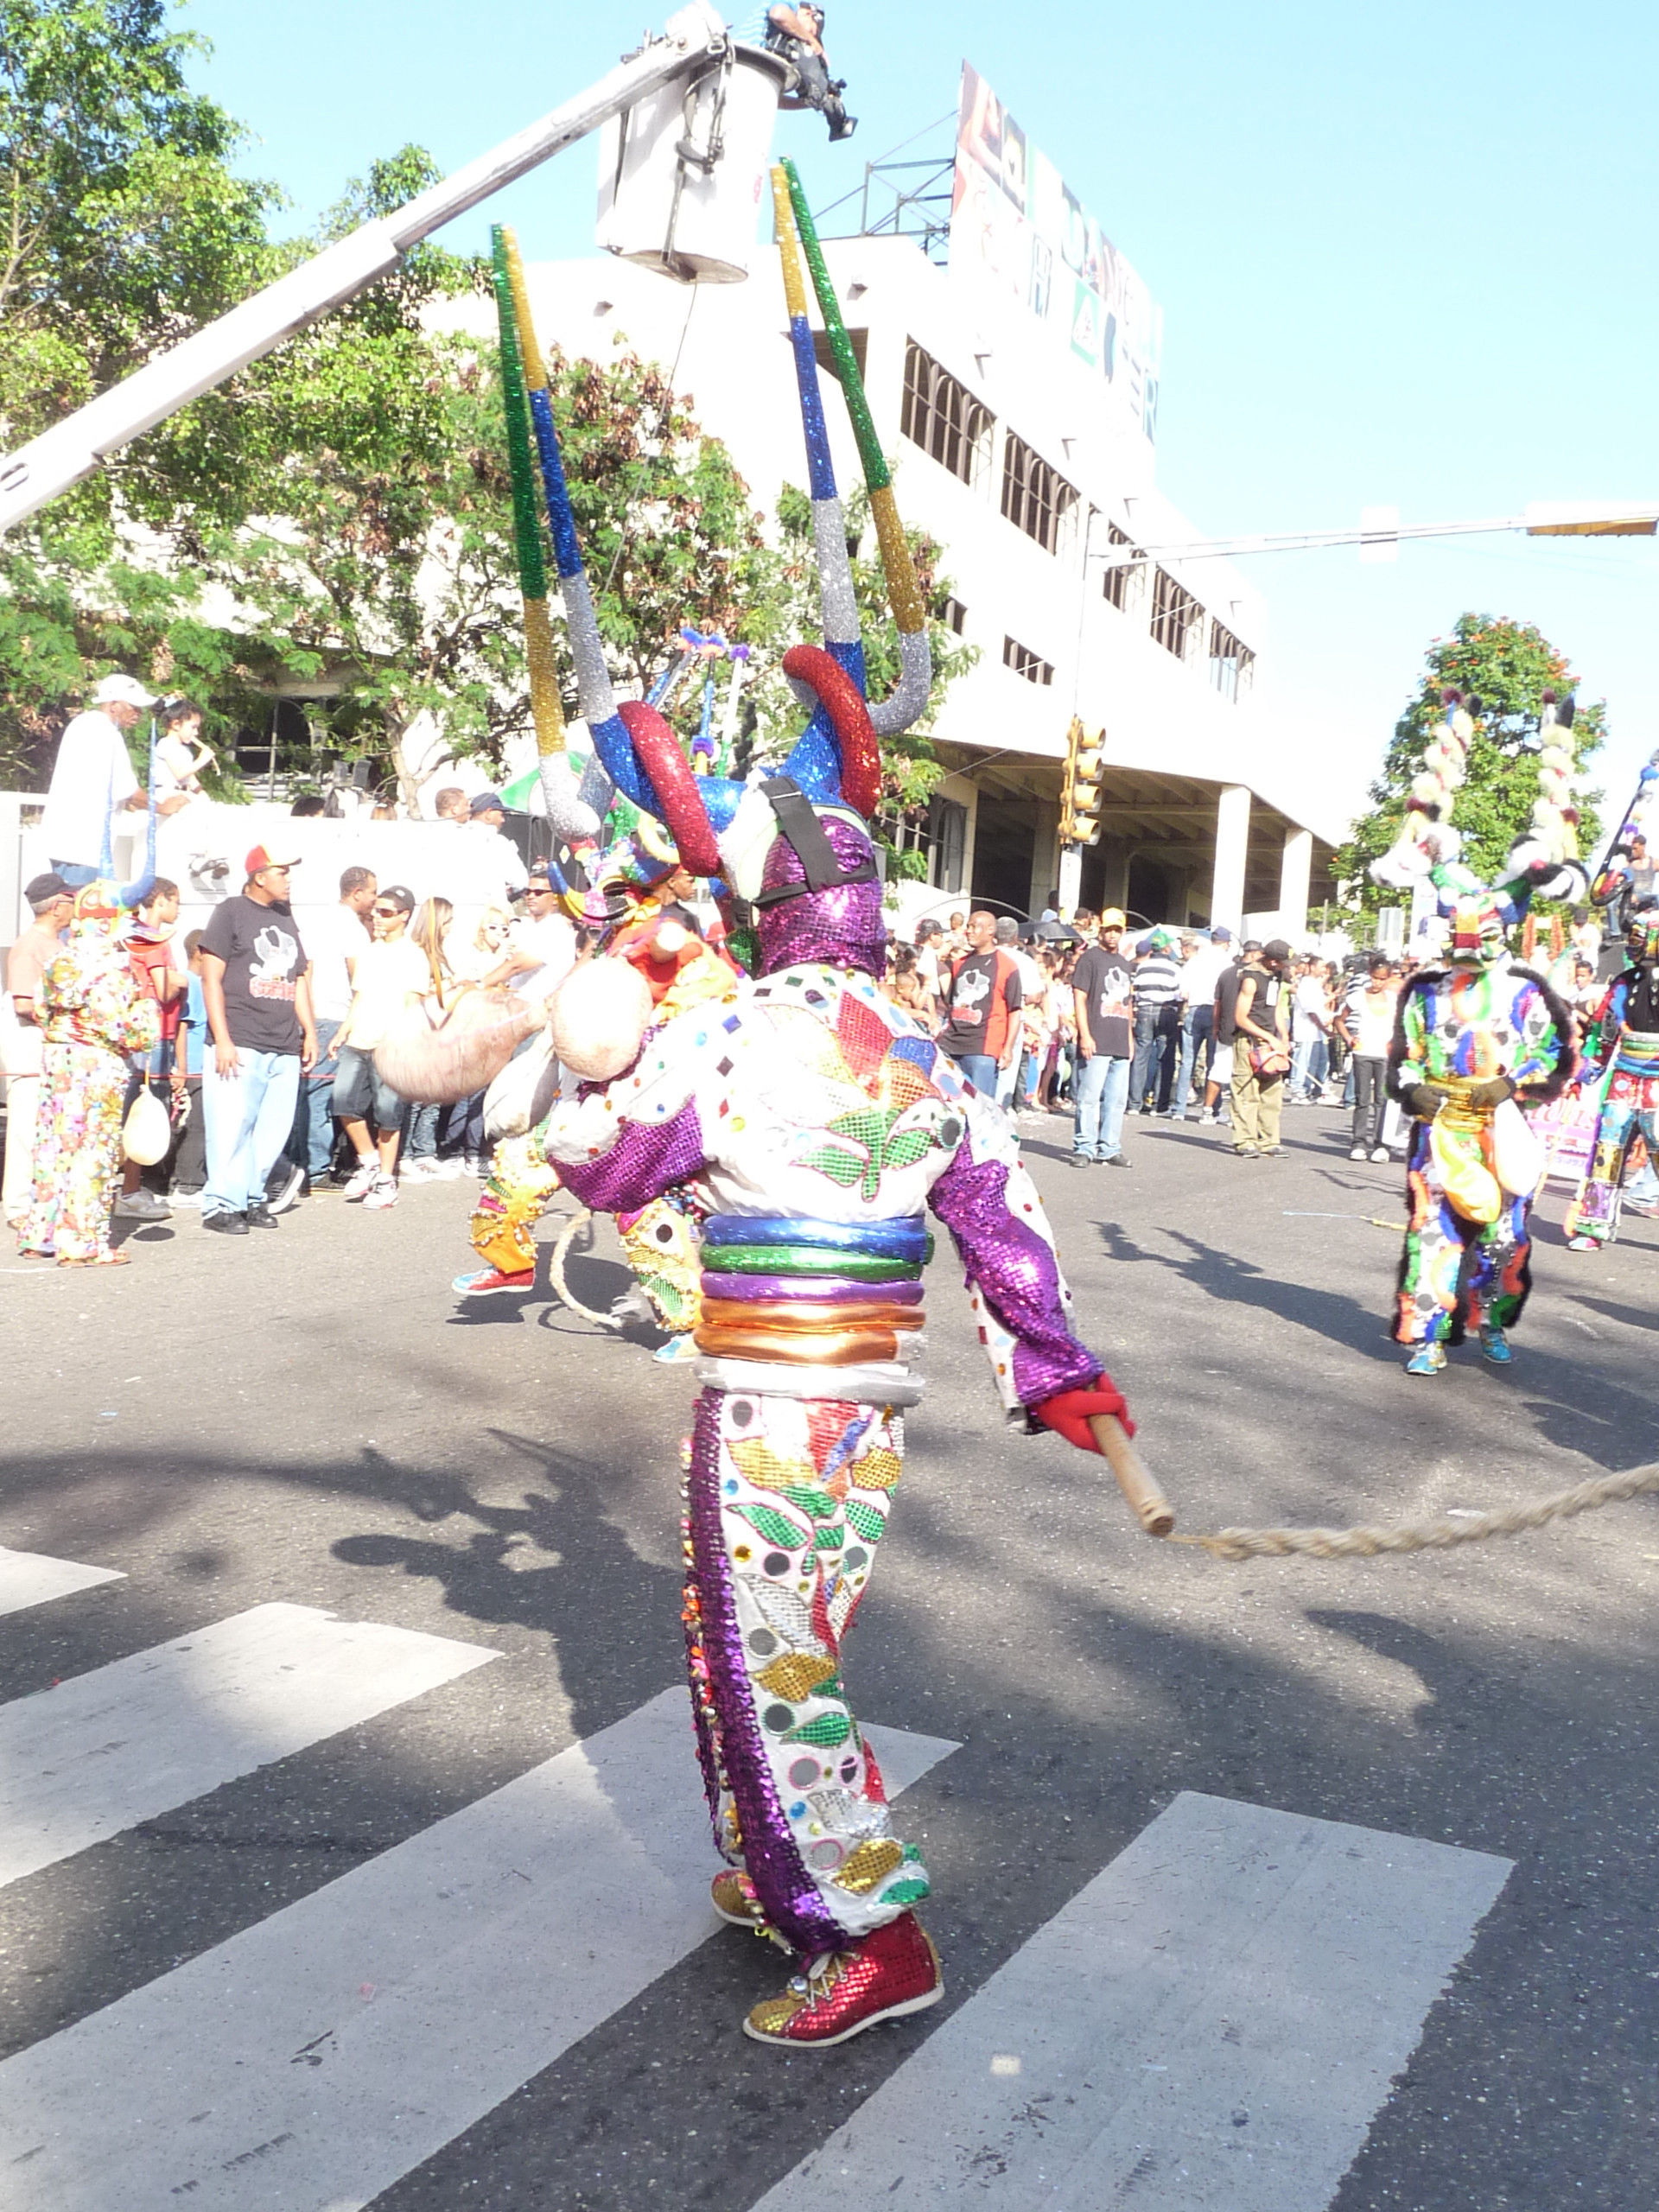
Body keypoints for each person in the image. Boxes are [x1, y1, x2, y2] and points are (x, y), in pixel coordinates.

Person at [537, 772, 1133, 2049]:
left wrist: (598, 1054)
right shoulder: (922, 1048)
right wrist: (1052, 1367)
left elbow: (608, 1164)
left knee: (768, 1662)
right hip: (869, 1409)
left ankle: (870, 1930)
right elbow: (1003, 1225)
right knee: (764, 1636)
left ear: (772, 911)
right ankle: (778, 1867)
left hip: (771, 1396)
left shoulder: (730, 1032)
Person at [1389, 892, 1573, 1375]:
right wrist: (1413, 1091)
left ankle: (1490, 1322)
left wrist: (1510, 1084)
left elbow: (1551, 1054)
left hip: (1501, 1131)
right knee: (1433, 1233)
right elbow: (1407, 1056)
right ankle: (1432, 1336)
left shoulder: (1524, 993)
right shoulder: (1424, 993)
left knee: (1502, 1236)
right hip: (1441, 1131)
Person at [15, 880, 161, 1265]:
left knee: (53, 1146)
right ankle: (81, 1241)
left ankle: (41, 1233)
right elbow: (125, 1028)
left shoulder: (60, 961)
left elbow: (43, 1010)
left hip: (58, 1059)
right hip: (97, 1064)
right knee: (93, 1152)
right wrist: (146, 1010)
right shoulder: (112, 967)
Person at [198, 845, 317, 1237]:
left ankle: (251, 1197)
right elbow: (210, 978)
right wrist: (223, 1039)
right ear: (259, 876)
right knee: (233, 1126)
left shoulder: (285, 915)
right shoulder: (230, 911)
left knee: (271, 1131)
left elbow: (298, 977)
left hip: (282, 1041)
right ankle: (221, 1204)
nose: (289, 879)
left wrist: (309, 1031)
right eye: (282, 872)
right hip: (241, 1037)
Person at [329, 883, 427, 1210]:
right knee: (342, 1101)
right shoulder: (369, 951)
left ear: (404, 916)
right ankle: (369, 1162)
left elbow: (413, 1004)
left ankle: (386, 1181)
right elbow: (360, 994)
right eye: (376, 911)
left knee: (388, 1115)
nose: (377, 917)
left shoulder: (414, 955)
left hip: (390, 1045)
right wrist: (343, 1030)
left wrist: (404, 1043)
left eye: (385, 912)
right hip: (359, 1039)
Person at [1566, 914, 1659, 1251]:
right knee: (1608, 1149)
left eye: (1640, 936)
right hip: (1624, 1076)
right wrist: (1585, 1072)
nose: (1636, 943)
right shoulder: (1623, 984)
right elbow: (1604, 1033)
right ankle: (1594, 1226)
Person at [39, 675, 188, 884]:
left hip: (64, 843)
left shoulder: (82, 724)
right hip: (84, 846)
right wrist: (163, 807)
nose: (139, 713)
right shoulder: (106, 732)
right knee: (83, 912)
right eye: (134, 706)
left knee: (65, 909)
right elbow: (128, 790)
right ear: (113, 705)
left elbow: (98, 783)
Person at [289, 866, 376, 1193]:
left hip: (313, 1014)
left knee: (308, 1092)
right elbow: (360, 979)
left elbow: (306, 968)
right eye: (372, 892)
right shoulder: (351, 927)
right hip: (336, 1016)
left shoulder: (320, 920)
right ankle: (314, 1169)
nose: (374, 899)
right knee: (323, 1095)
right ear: (356, 893)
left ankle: (302, 1165)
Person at [3, 873, 74, 1225]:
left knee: (50, 1124)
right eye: (71, 900)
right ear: (57, 905)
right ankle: (18, 1206)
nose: (75, 906)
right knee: (25, 1124)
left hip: (53, 1041)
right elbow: (22, 1004)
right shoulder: (29, 945)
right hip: (30, 1040)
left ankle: (44, 1199)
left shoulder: (59, 945)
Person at [114, 877, 188, 1224]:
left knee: (134, 1110)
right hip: (153, 1035)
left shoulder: (134, 936)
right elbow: (162, 990)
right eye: (176, 902)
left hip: (144, 1035)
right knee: (141, 1113)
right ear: (162, 901)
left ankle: (129, 1188)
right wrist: (182, 981)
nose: (178, 909)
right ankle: (129, 1191)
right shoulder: (154, 941)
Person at [402, 897, 472, 1179]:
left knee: (432, 1097)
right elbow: (414, 993)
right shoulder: (416, 953)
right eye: (448, 921)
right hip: (420, 1029)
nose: (451, 927)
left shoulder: (440, 954)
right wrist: (451, 985)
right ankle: (405, 1153)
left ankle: (425, 1151)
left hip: (440, 1030)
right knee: (415, 1098)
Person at [1070, 908, 1135, 1166]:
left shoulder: (1124, 963)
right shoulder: (1090, 959)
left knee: (1117, 1100)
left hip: (1119, 1038)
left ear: (1123, 932)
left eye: (1117, 930)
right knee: (1089, 1097)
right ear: (1101, 930)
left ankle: (1110, 1146)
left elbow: (1128, 1003)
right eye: (1109, 929)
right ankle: (1084, 1147)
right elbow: (1079, 996)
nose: (1112, 934)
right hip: (1096, 1037)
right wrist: (1084, 1034)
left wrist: (1129, 1039)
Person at [936, 908, 1023, 1096]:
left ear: (991, 930)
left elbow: (1014, 1011)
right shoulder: (959, 963)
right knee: (949, 1102)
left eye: (975, 927)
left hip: (983, 1049)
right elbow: (952, 1003)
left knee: (980, 1106)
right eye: (968, 926)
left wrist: (1008, 1047)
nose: (969, 931)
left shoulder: (1007, 966)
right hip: (951, 1045)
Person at [753, 2, 855, 140]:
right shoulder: (790, 4)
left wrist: (808, 102)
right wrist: (811, 42)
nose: (811, 38)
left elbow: (772, 99)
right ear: (809, 14)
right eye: (814, 32)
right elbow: (778, 14)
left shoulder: (777, 43)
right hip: (743, 63)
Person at [1230, 938, 1293, 1158]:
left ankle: (1268, 1140)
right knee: (1247, 1093)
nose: (1288, 966)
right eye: (1284, 962)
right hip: (1248, 1041)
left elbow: (1274, 1008)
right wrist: (1268, 1037)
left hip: (1270, 1044)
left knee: (1272, 1093)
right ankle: (1245, 1140)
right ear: (1273, 961)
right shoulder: (1251, 978)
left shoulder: (1275, 977)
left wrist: (1283, 1036)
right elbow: (1240, 1017)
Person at [1334, 952, 1398, 1160]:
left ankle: (1381, 1144)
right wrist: (1349, 1039)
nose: (1377, 982)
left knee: (1382, 1099)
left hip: (1384, 1055)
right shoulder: (1358, 997)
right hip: (1363, 1053)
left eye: (1382, 979)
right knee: (1362, 1099)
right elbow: (1339, 1020)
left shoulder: (1393, 999)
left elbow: (1401, 1025)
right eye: (1374, 977)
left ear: (1388, 979)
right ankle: (1359, 1142)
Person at [1171, 925, 1232, 1120]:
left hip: (1194, 1010)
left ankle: (1179, 1109)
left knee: (1187, 1061)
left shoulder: (1195, 960)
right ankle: (1213, 1109)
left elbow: (1183, 992)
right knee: (1214, 1062)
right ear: (1227, 944)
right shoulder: (1227, 963)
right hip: (1216, 1012)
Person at [1128, 928, 1182, 1115]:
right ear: (1167, 949)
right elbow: (1180, 994)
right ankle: (1160, 1105)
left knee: (1141, 1056)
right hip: (1166, 1011)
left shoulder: (1142, 966)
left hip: (1144, 1011)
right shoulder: (1175, 968)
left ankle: (1135, 1103)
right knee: (1165, 1058)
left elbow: (1135, 992)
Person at [1205, 937, 1258, 1128]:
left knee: (1218, 1070)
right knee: (1242, 1074)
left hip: (1226, 1028)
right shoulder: (1254, 975)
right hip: (1245, 1030)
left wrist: (1215, 1026)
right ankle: (1236, 1114)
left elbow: (1216, 1004)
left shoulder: (1226, 974)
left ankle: (1207, 1110)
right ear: (1252, 954)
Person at [993, 915, 1043, 1107]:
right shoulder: (1023, 960)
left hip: (986, 1020)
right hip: (1012, 1020)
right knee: (1007, 1072)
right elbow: (1035, 995)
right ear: (1015, 937)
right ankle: (1000, 1112)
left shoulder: (986, 955)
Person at [467, 788, 529, 902]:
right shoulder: (498, 842)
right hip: (491, 913)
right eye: (501, 814)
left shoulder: (455, 839)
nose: (503, 820)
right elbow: (521, 882)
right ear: (488, 813)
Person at [152, 696, 214, 803]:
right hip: (167, 796)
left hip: (183, 794)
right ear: (176, 724)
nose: (196, 733)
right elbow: (179, 774)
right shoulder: (166, 744)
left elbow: (189, 777)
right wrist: (202, 759)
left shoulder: (184, 750)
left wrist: (201, 793)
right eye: (193, 727)